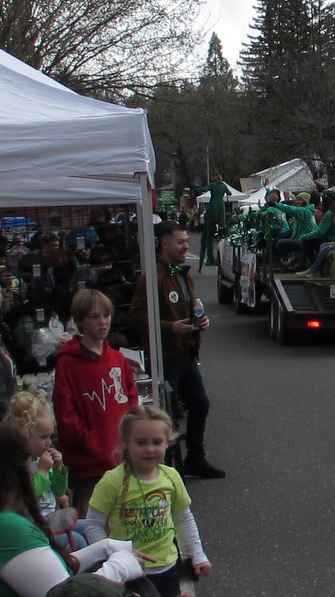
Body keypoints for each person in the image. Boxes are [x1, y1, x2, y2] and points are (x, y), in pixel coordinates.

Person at [0, 425, 153, 597]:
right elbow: (67, 593)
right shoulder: (8, 526)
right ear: (22, 469)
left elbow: (57, 570)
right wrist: (121, 566)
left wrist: (104, 547)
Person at [129, 222, 224, 479]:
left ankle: (195, 457)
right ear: (164, 243)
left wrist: (200, 321)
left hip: (187, 353)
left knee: (200, 404)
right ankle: (165, 467)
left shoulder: (183, 274)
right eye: (180, 241)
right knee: (165, 415)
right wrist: (171, 327)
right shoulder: (152, 278)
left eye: (186, 241)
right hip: (166, 356)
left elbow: (190, 308)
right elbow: (136, 316)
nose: (185, 246)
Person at [85, 406, 211, 597]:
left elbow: (183, 517)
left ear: (167, 442)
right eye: (141, 442)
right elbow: (93, 523)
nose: (150, 449)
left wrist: (198, 555)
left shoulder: (171, 477)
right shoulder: (113, 480)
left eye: (157, 442)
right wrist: (112, 556)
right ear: (126, 442)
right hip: (130, 571)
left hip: (168, 567)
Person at [52, 290, 139, 512]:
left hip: (122, 462)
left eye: (106, 315)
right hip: (88, 467)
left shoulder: (118, 359)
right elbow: (66, 417)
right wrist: (95, 446)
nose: (103, 321)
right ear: (80, 321)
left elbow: (131, 402)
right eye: (94, 316)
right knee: (92, 522)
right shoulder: (68, 364)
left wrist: (129, 440)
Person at [2, 390, 68, 517]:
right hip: (32, 522)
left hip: (52, 517)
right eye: (43, 437)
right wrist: (42, 472)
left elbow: (59, 491)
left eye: (50, 436)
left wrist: (58, 469)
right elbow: (27, 494)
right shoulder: (16, 465)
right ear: (24, 434)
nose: (49, 443)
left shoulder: (42, 460)